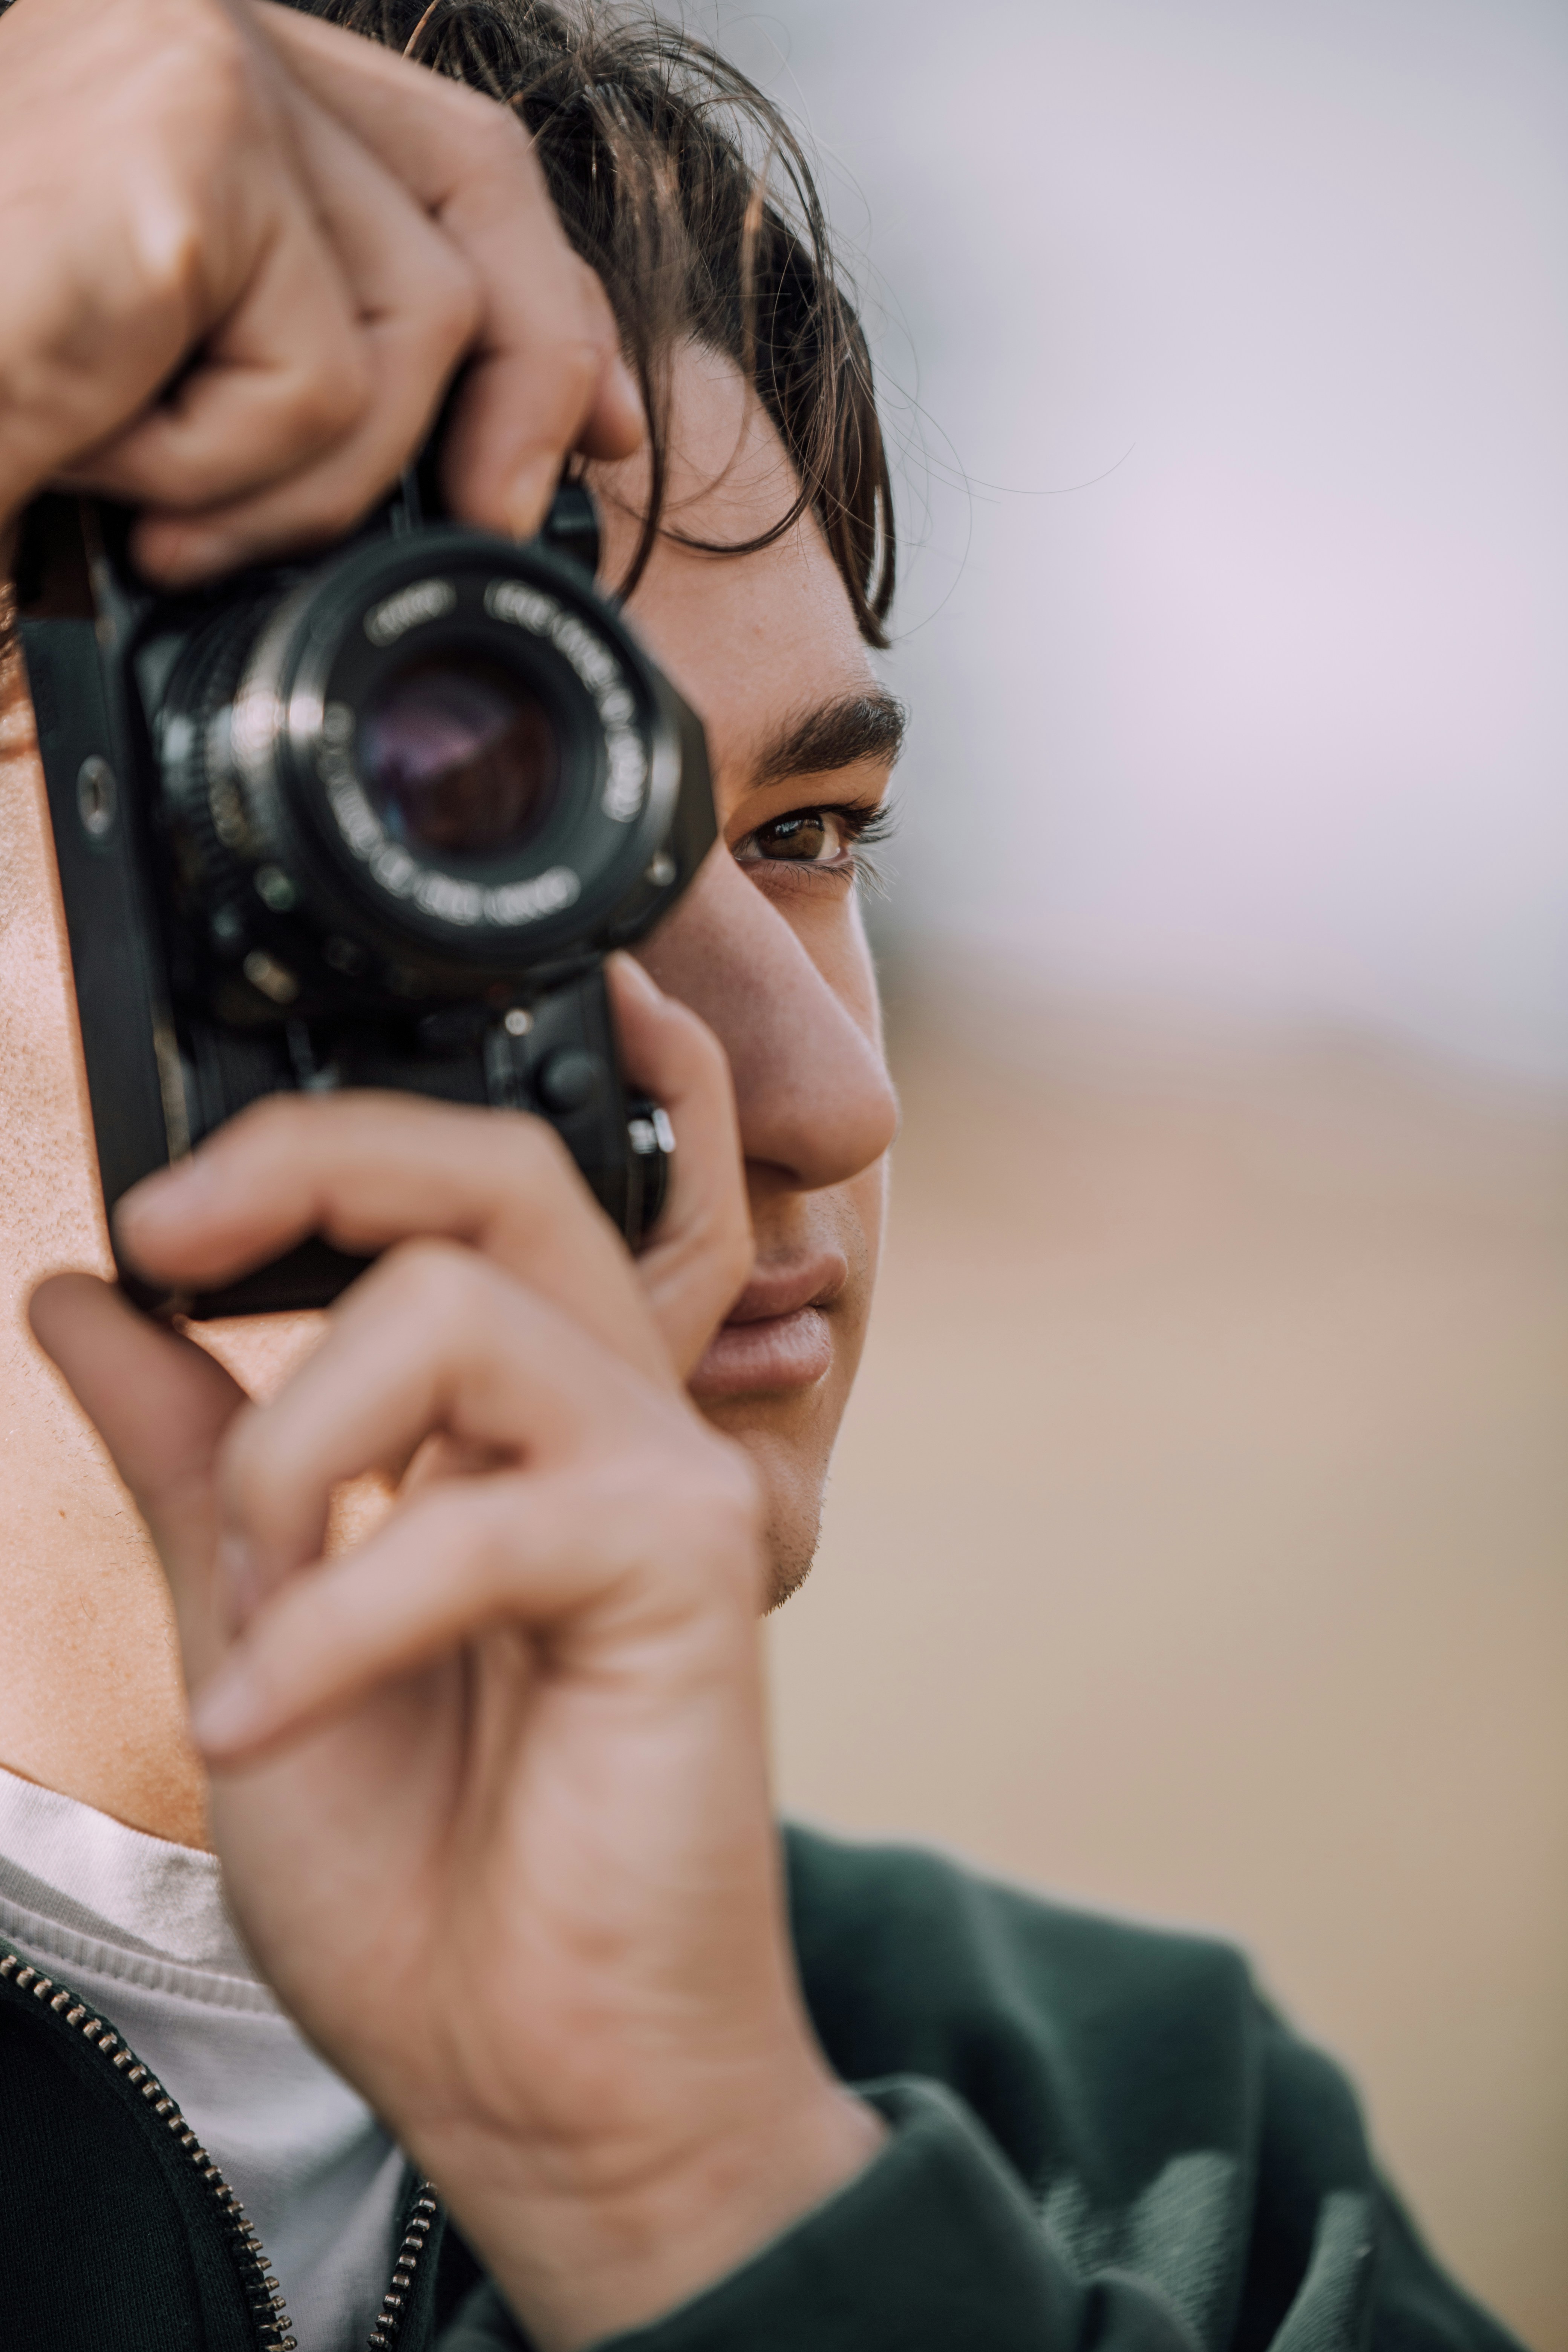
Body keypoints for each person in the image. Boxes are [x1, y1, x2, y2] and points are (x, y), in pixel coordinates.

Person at [0, 1, 1527, 2346]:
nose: (819, 1093)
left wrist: (702, 2199)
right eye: (478, 818)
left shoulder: (1161, 2169)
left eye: (813, 840)